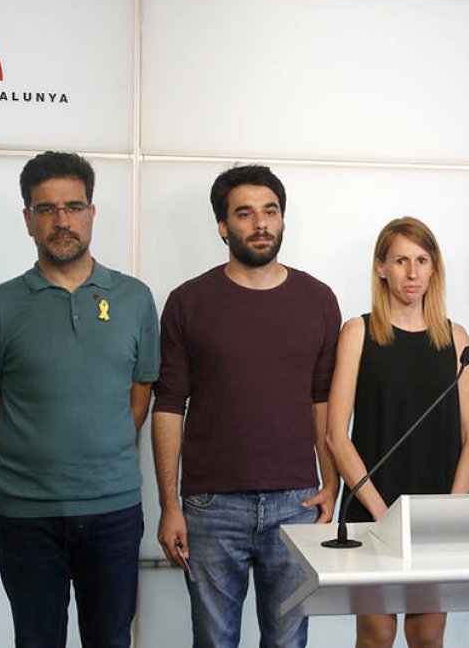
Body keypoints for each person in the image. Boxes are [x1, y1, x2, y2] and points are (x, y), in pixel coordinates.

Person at [0, 151, 159, 648]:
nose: (62, 220)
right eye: (46, 209)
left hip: (113, 510)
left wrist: (100, 448)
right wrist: (35, 457)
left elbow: (139, 397)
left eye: (73, 207)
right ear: (28, 219)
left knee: (111, 640)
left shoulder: (135, 300)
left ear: (92, 214)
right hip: (25, 514)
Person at [152, 164, 341, 648]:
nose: (260, 223)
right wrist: (169, 504)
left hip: (296, 503)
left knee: (288, 642)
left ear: (282, 220)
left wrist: (331, 482)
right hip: (210, 506)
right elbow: (169, 405)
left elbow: (324, 402)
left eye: (270, 211)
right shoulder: (188, 302)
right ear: (222, 226)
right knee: (214, 643)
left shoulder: (318, 300)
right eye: (245, 213)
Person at [326, 217, 469, 648]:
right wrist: (383, 516)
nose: (412, 273)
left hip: (436, 512)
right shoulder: (357, 332)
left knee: (427, 633)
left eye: (422, 260)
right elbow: (336, 437)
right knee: (377, 633)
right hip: (373, 506)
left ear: (434, 268)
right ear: (381, 268)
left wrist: (448, 514)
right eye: (400, 261)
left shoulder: (456, 337)